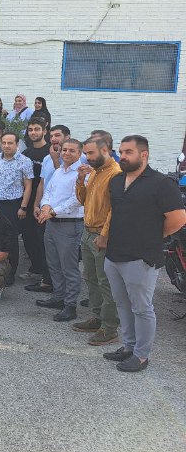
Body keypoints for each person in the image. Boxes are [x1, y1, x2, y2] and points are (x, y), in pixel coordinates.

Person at [101, 135, 186, 372]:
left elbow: (179, 218)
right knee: (122, 304)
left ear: (144, 154)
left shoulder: (161, 183)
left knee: (141, 308)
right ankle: (128, 346)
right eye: (121, 152)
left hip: (141, 258)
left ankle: (141, 355)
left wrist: (154, 236)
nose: (123, 156)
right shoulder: (117, 180)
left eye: (128, 152)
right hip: (114, 255)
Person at [73, 136, 123, 346]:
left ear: (105, 150)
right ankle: (97, 318)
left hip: (101, 235)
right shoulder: (94, 171)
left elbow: (115, 209)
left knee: (105, 282)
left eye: (90, 153)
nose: (87, 157)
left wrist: (104, 235)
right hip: (87, 232)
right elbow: (82, 200)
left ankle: (110, 328)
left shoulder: (115, 174)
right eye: (86, 153)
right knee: (91, 277)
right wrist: (80, 180)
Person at [36, 139, 85, 322]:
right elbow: (48, 191)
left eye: (72, 150)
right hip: (52, 223)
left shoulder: (82, 173)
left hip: (69, 224)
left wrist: (54, 211)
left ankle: (70, 305)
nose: (66, 153)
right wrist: (45, 206)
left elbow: (77, 200)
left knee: (69, 268)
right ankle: (58, 297)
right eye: (64, 150)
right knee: (54, 264)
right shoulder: (58, 172)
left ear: (79, 153)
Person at [0, 132, 33, 279]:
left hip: (13, 205)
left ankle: (10, 273)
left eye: (10, 143)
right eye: (4, 143)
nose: (6, 146)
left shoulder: (25, 161)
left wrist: (23, 207)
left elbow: (28, 186)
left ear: (17, 144)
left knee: (10, 240)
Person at [22, 118, 53, 291]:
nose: (33, 132)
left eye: (37, 129)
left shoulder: (50, 153)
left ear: (44, 131)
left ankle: (47, 275)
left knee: (42, 239)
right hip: (27, 200)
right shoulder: (26, 153)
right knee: (28, 236)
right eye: (30, 129)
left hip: (44, 202)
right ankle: (35, 268)